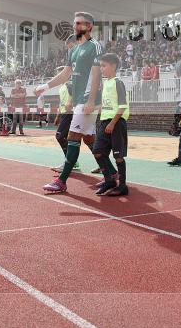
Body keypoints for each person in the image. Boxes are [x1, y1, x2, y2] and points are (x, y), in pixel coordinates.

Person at [36, 12, 104, 194]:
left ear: (89, 26)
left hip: (89, 99)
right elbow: (65, 74)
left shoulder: (95, 47)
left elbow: (98, 74)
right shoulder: (74, 50)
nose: (75, 26)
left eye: (80, 23)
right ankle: (111, 174)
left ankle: (62, 181)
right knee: (89, 138)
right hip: (80, 101)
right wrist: (46, 86)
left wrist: (91, 100)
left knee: (73, 136)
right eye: (74, 23)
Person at [92, 53, 130, 196]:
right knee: (97, 151)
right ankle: (109, 180)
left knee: (118, 156)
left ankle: (123, 186)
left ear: (113, 66)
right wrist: (94, 108)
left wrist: (113, 123)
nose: (101, 69)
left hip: (116, 122)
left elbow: (122, 106)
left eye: (104, 66)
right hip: (104, 121)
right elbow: (106, 104)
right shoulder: (106, 83)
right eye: (100, 66)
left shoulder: (118, 83)